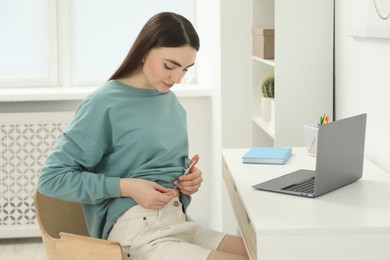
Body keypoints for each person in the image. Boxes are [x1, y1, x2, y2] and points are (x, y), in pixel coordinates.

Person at [38, 12, 249, 260]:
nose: (177, 78)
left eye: (185, 69)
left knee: (266, 252)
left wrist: (188, 183)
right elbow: (52, 179)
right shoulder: (103, 104)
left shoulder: (171, 103)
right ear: (144, 51)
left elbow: (157, 169)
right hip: (137, 232)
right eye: (169, 66)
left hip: (178, 221)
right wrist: (126, 187)